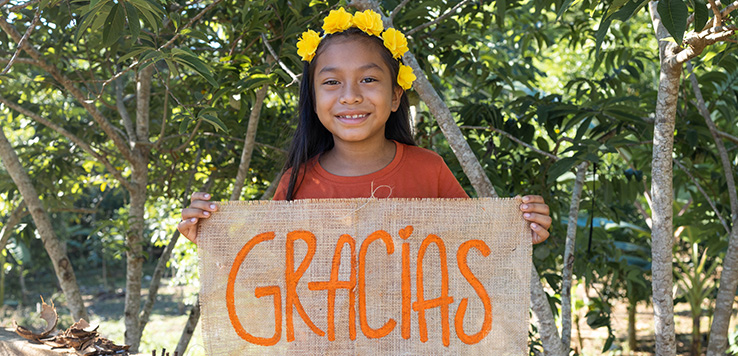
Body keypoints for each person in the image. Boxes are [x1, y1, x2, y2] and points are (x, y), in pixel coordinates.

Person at [177, 8, 552, 245]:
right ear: (312, 98)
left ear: (396, 97)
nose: (351, 96)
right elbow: (268, 268)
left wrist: (520, 231)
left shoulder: (429, 170)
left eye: (369, 80)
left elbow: (476, 249)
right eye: (331, 82)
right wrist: (210, 236)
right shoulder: (297, 181)